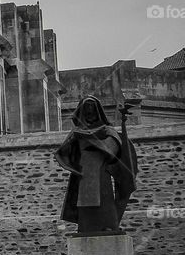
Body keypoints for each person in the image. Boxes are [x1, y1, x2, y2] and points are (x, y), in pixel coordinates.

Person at [55, 96, 137, 234]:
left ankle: (109, 225)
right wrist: (76, 139)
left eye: (92, 107)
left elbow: (113, 147)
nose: (89, 111)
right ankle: (85, 227)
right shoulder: (76, 132)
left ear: (97, 110)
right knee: (84, 201)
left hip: (100, 170)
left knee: (104, 198)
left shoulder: (106, 129)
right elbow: (65, 151)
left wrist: (92, 141)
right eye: (86, 108)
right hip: (84, 171)